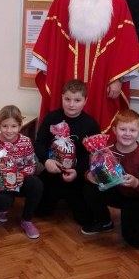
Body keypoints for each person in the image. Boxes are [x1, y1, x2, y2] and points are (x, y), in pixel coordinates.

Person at [31, 0, 139, 136]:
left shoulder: (118, 5)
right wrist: (52, 75)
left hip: (103, 81)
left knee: (99, 128)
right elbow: (50, 42)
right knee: (64, 128)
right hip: (65, 77)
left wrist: (118, 79)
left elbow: (125, 47)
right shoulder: (63, 0)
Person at [81, 109, 139, 247]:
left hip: (138, 197)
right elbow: (90, 169)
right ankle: (104, 222)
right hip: (116, 192)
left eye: (132, 130)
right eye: (123, 129)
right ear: (114, 130)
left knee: (134, 240)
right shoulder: (105, 150)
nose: (127, 133)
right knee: (89, 187)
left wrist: (136, 183)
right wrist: (89, 175)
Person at [34, 79, 99, 225]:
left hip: (76, 175)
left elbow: (93, 155)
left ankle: (71, 199)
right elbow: (39, 143)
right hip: (52, 171)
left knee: (85, 219)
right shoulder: (51, 117)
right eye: (67, 99)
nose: (71, 104)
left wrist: (78, 171)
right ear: (62, 97)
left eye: (77, 100)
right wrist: (46, 161)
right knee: (40, 211)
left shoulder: (90, 124)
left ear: (85, 101)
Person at [0, 105, 43, 239]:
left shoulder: (25, 142)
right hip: (1, 184)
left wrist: (23, 175)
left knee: (36, 184)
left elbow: (31, 164)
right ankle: (1, 209)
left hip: (20, 182)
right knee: (2, 202)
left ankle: (26, 220)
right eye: (5, 126)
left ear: (20, 126)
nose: (9, 131)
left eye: (14, 126)